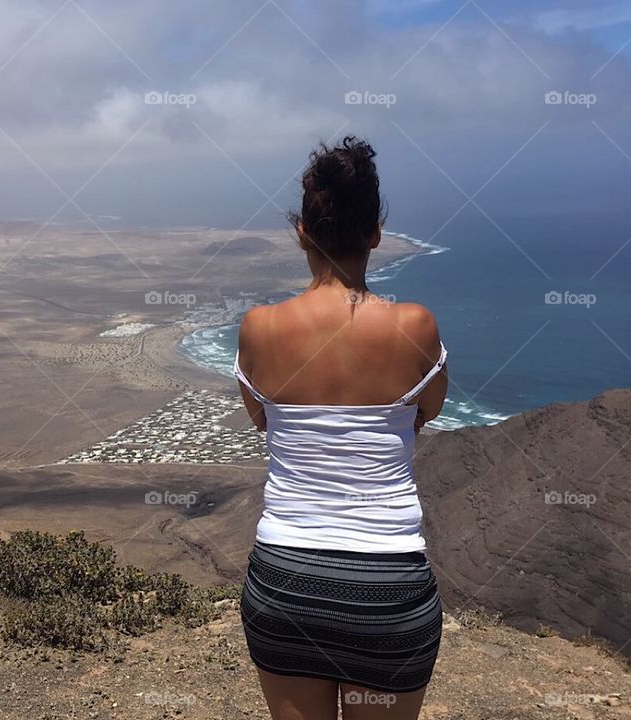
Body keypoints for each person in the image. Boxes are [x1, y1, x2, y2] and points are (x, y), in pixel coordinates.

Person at [235, 136, 448, 720]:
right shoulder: (415, 326)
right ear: (376, 234)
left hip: (285, 583)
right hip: (388, 591)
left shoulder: (257, 328)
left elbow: (261, 419)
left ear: (302, 232)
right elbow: (428, 410)